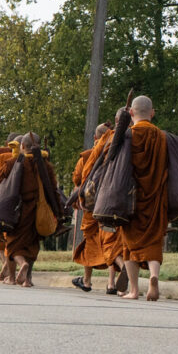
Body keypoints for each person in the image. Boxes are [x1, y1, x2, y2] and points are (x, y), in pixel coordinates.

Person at [108, 97, 172, 301]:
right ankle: (154, 276)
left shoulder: (128, 135)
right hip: (155, 197)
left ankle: (134, 290)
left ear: (131, 113)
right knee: (154, 240)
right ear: (152, 113)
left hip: (131, 199)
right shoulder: (161, 136)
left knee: (129, 246)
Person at [0, 134, 55, 288]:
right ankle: (28, 279)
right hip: (37, 211)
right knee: (32, 245)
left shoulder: (12, 163)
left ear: (22, 146)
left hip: (16, 211)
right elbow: (53, 190)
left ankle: (15, 273)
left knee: (12, 244)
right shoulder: (45, 165)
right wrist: (56, 212)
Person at [70, 124, 121, 294]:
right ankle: (112, 283)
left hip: (92, 206)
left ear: (95, 137)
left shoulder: (87, 156)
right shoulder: (119, 151)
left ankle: (87, 281)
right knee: (111, 241)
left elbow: (78, 178)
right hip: (111, 203)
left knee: (91, 242)